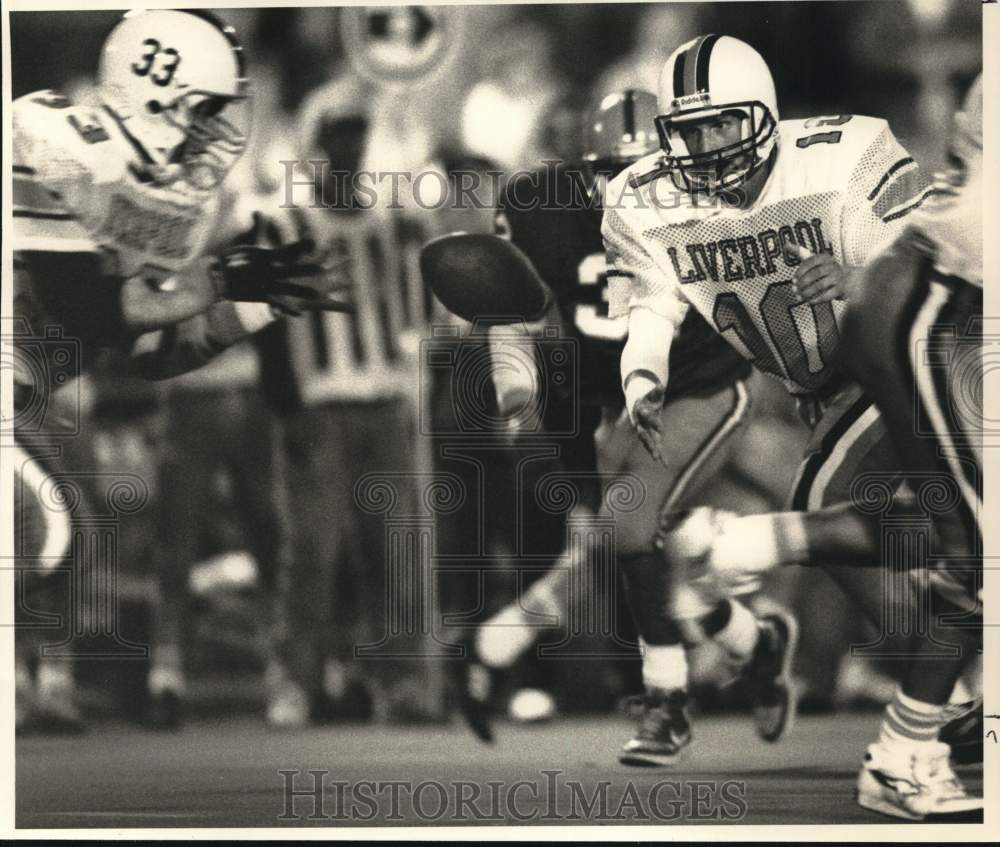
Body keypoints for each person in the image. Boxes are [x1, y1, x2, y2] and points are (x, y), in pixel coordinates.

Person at [604, 34, 980, 818]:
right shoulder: (646, 200)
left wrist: (858, 275)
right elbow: (653, 302)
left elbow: (919, 270)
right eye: (691, 132)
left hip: (915, 365)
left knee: (893, 516)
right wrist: (643, 375)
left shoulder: (841, 157)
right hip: (837, 395)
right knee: (926, 527)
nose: (706, 149)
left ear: (767, 117)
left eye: (723, 127)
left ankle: (940, 707)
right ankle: (947, 706)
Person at [11, 8, 346, 731]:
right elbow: (92, 307)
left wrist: (250, 311)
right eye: (204, 113)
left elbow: (155, 350)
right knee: (52, 522)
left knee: (67, 522)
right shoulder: (49, 136)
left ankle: (36, 680)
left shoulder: (153, 204)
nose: (212, 134)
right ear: (153, 92)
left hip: (34, 386)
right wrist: (215, 282)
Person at [450, 89, 799, 765]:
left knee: (628, 527)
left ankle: (665, 702)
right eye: (612, 174)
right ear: (584, 173)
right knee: (646, 548)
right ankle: (754, 644)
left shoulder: (709, 211)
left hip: (699, 389)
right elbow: (508, 310)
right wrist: (515, 381)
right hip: (610, 403)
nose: (630, 190)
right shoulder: (538, 210)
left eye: (649, 174)